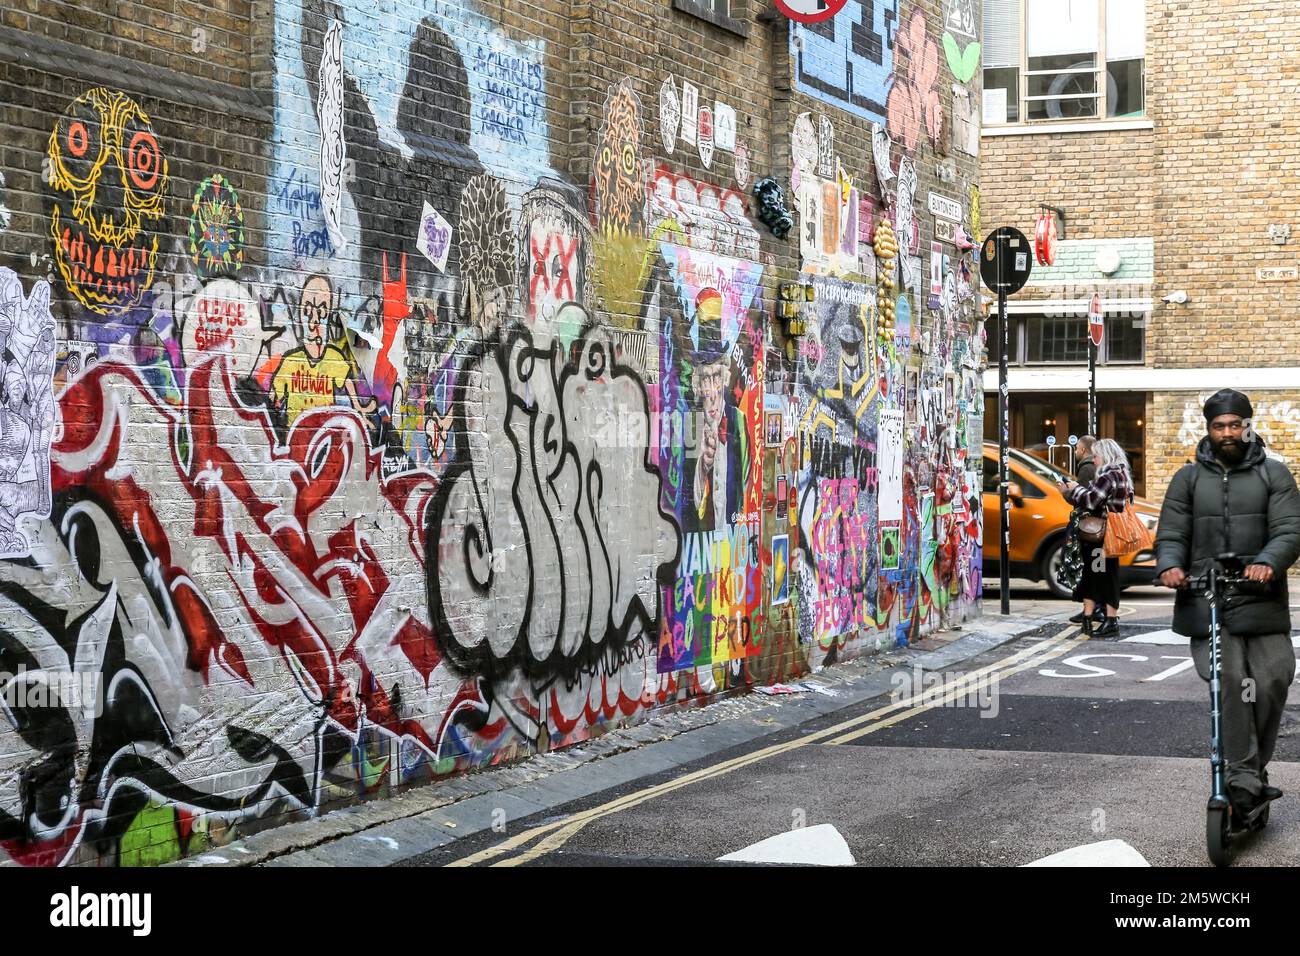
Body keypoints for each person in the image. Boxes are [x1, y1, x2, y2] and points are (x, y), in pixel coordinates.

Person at [1155, 388, 1300, 815]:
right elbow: (1172, 532)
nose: (1228, 433)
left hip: (1260, 597)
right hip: (1207, 600)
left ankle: (1251, 773)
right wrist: (1169, 565)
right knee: (1233, 683)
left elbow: (1290, 530)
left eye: (1235, 424)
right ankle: (1242, 780)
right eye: (1220, 426)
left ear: (1248, 426)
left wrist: (1268, 562)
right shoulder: (1188, 479)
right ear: (1209, 429)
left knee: (1273, 678)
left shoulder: (1275, 475)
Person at [1056, 438, 1132, 637]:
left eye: (1097, 456)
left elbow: (1092, 501)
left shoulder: (1109, 476)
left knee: (1100, 575)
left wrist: (1074, 488)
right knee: (1101, 574)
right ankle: (1094, 619)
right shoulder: (1122, 473)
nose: (1095, 460)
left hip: (1100, 536)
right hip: (1110, 535)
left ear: (1105, 456)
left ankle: (1107, 621)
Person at [1066, 435, 1101, 625]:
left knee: (1089, 568)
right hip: (1098, 527)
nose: (1075, 451)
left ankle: (1093, 609)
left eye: (1077, 448)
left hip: (1090, 527)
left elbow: (1084, 499)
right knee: (1096, 568)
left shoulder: (1087, 468)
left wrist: (1066, 491)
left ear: (1084, 450)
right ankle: (1093, 608)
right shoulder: (1094, 467)